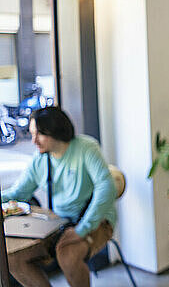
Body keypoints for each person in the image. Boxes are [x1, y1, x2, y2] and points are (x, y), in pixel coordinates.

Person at [1, 107, 116, 287]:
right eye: (32, 134)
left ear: (56, 130)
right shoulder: (40, 159)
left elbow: (107, 187)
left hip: (95, 221)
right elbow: (19, 193)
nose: (33, 141)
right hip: (59, 222)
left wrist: (82, 229)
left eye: (39, 134)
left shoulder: (86, 148)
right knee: (12, 258)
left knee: (67, 255)